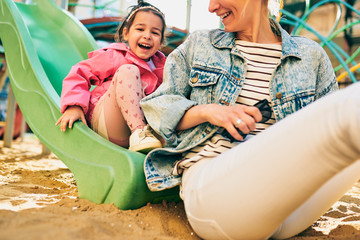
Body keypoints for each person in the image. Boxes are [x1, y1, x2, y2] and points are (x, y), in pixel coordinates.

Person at [140, 0, 360, 239]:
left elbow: (321, 127)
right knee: (347, 115)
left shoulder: (310, 55)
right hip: (220, 198)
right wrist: (208, 111)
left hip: (294, 200)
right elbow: (157, 108)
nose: (211, 7)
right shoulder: (201, 44)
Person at [56, 0, 166, 153]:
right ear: (126, 33)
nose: (147, 36)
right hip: (107, 124)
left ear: (161, 42)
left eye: (155, 32)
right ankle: (139, 132)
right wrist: (74, 105)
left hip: (142, 134)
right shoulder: (116, 56)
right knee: (128, 71)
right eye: (140, 29)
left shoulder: (163, 69)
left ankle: (150, 138)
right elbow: (80, 72)